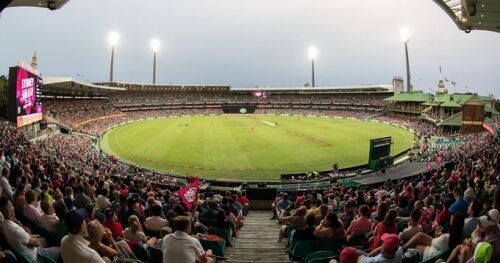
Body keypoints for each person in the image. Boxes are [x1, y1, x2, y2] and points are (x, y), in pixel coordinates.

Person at [0, 197, 60, 263]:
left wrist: (29, 235)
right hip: (36, 256)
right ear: (8, 211)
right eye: (11, 206)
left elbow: (27, 236)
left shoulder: (4, 225)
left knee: (44, 239)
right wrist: (32, 236)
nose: (13, 207)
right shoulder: (15, 230)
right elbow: (36, 243)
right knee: (60, 250)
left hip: (30, 249)